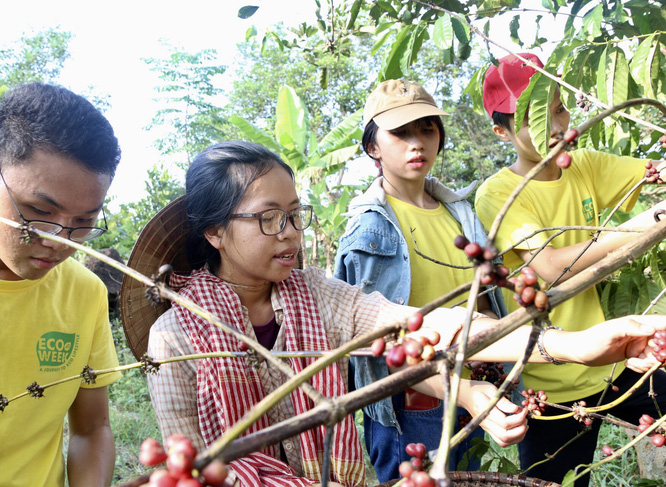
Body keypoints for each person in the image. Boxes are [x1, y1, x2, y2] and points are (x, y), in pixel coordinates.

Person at [129, 140, 665, 487]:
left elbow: (425, 324)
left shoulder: (314, 295)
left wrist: (570, 344)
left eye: (295, 215)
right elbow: (189, 461)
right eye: (269, 219)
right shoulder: (177, 337)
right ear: (215, 232)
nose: (290, 233)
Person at [474, 52, 666, 486]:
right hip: (553, 381)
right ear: (501, 132)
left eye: (558, 107)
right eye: (536, 117)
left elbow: (655, 173)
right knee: (552, 480)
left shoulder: (586, 166)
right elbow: (553, 267)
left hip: (617, 364)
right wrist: (650, 224)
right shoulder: (499, 194)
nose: (556, 124)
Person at [0, 83, 123, 486]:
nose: (59, 240)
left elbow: (92, 429)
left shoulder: (84, 293)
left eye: (83, 223)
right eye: (39, 211)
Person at [333, 79, 508, 481]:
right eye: (400, 132)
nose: (418, 143)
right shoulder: (369, 231)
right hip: (414, 406)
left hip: (474, 389)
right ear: (372, 146)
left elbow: (483, 301)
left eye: (427, 128)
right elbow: (375, 340)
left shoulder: (460, 214)